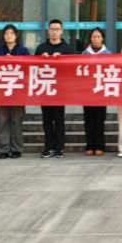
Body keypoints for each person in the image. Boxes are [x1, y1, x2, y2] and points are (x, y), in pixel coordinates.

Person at [34, 19, 73, 158]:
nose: (54, 32)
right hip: (45, 88)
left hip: (60, 89)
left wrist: (62, 59)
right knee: (47, 120)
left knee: (59, 119)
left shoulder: (67, 49)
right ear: (48, 31)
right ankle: (49, 147)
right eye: (52, 29)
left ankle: (59, 147)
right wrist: (41, 59)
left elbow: (72, 69)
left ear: (62, 31)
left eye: (57, 29)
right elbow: (33, 68)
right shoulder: (41, 48)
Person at [0, 23, 31, 159]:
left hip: (18, 91)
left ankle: (16, 148)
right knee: (2, 121)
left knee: (16, 121)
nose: (9, 36)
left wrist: (15, 60)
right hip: (1, 91)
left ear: (16, 35)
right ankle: (3, 149)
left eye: (11, 33)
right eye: (6, 33)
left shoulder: (23, 50)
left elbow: (28, 68)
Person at [80, 27, 111, 156]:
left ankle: (100, 146)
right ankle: (89, 145)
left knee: (100, 119)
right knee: (88, 119)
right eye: (94, 37)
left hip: (101, 91)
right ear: (90, 39)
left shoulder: (108, 54)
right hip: (87, 91)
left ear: (102, 38)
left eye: (98, 37)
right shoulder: (84, 54)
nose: (96, 39)